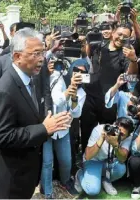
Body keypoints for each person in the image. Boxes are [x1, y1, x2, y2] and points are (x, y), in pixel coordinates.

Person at [0, 28, 71, 198]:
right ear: (17, 56)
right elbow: (1, 136)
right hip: (11, 180)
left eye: (43, 53)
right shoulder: (5, 90)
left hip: (27, 174)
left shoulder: (30, 80)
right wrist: (43, 129)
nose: (41, 60)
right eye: (36, 54)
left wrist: (51, 122)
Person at [81, 23, 138, 153]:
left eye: (125, 36)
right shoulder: (98, 46)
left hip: (110, 100)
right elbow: (86, 56)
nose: (121, 38)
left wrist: (133, 60)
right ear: (112, 33)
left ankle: (107, 159)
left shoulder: (126, 53)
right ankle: (86, 159)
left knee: (109, 132)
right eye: (119, 34)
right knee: (86, 131)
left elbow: (131, 77)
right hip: (90, 97)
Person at [40, 63, 87, 198]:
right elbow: (56, 101)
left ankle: (65, 182)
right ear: (71, 70)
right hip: (48, 125)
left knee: (66, 160)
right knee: (47, 162)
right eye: (76, 70)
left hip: (63, 129)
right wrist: (68, 90)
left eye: (82, 72)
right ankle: (47, 191)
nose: (78, 73)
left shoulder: (81, 92)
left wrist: (73, 96)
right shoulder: (58, 78)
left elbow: (76, 113)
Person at [74, 117, 134, 196]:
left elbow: (122, 159)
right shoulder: (100, 130)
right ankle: (79, 174)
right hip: (93, 160)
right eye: (117, 131)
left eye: (122, 135)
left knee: (121, 168)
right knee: (92, 190)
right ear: (114, 125)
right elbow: (88, 156)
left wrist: (115, 145)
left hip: (108, 161)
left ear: (128, 135)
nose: (118, 135)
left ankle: (105, 180)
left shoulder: (129, 137)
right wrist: (101, 139)